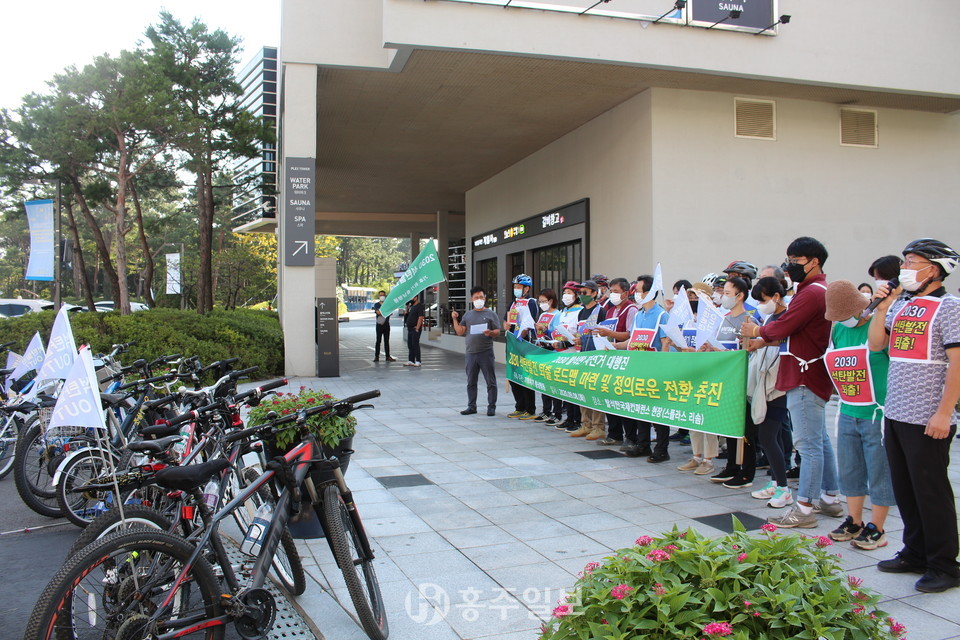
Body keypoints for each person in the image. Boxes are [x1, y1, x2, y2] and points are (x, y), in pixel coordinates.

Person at [869, 239, 960, 593]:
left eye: (912, 261)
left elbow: (957, 364)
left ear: (934, 269)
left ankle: (944, 564)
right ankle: (915, 551)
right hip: (896, 410)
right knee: (905, 488)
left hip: (928, 415)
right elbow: (877, 343)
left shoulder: (950, 307)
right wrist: (882, 307)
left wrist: (944, 412)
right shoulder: (903, 304)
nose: (905, 268)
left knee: (931, 490)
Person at [741, 236, 841, 528]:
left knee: (807, 445)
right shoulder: (812, 290)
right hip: (806, 372)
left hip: (805, 375)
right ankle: (830, 498)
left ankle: (805, 509)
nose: (789, 266)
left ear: (814, 262)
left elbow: (785, 326)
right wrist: (762, 341)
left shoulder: (812, 293)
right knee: (819, 440)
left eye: (795, 261)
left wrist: (757, 330)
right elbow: (792, 332)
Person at [822, 280, 895, 551]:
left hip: (877, 413)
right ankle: (855, 521)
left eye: (846, 315)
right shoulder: (840, 330)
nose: (842, 321)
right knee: (851, 469)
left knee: (879, 470)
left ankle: (878, 527)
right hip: (848, 409)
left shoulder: (878, 327)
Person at [744, 277, 792, 507]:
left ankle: (783, 487)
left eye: (762, 300)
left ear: (776, 296)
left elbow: (780, 340)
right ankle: (776, 481)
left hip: (779, 383)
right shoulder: (771, 317)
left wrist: (762, 339)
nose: (761, 305)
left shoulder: (789, 317)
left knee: (768, 435)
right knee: (771, 435)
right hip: (767, 380)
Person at [706, 276, 758, 488]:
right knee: (728, 424)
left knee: (746, 428)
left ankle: (747, 471)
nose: (723, 297)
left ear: (740, 296)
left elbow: (752, 349)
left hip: (744, 381)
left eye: (727, 294)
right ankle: (731, 466)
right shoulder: (724, 317)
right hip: (725, 379)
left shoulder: (750, 319)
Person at [616, 275, 669, 461]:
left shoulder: (662, 315)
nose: (635, 294)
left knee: (658, 410)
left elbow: (665, 343)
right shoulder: (639, 315)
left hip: (655, 369)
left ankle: (662, 449)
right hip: (639, 368)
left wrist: (662, 369)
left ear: (649, 293)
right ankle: (643, 444)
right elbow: (633, 341)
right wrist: (613, 346)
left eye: (637, 291)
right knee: (641, 408)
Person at [593, 277, 638, 445]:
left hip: (624, 358)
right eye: (611, 291)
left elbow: (630, 335)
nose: (613, 295)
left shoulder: (631, 310)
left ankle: (631, 437)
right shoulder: (610, 310)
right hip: (610, 358)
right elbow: (607, 330)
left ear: (626, 293)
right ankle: (614, 433)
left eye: (616, 292)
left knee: (623, 399)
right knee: (610, 397)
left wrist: (609, 335)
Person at [451, 286, 500, 416]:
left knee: (490, 381)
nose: (479, 300)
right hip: (471, 353)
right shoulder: (468, 315)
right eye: (476, 298)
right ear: (471, 299)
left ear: (485, 298)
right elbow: (460, 331)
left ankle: (491, 406)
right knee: (471, 381)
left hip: (486, 352)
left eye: (481, 297)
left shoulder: (491, 314)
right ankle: (471, 406)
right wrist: (455, 319)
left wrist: (490, 332)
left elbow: (497, 331)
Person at [568, 279, 608, 439]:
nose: (581, 295)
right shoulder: (581, 312)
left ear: (593, 293)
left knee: (595, 392)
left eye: (584, 292)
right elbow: (581, 333)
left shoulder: (601, 311)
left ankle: (598, 427)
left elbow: (604, 333)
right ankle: (586, 424)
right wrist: (578, 339)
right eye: (580, 293)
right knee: (582, 390)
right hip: (583, 355)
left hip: (597, 357)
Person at [503, 274, 539, 419]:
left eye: (518, 287)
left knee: (526, 377)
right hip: (512, 343)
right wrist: (505, 325)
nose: (516, 289)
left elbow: (531, 323)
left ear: (526, 288)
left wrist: (522, 334)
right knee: (513, 376)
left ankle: (530, 409)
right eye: (515, 287)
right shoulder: (513, 303)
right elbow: (506, 320)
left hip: (525, 343)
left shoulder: (531, 302)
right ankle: (519, 406)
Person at [554, 281, 585, 432]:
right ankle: (569, 418)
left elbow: (579, 334)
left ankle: (576, 420)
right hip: (563, 355)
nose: (566, 296)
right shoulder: (563, 312)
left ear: (576, 295)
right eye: (564, 293)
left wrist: (568, 341)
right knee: (566, 388)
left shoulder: (580, 311)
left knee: (574, 389)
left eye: (569, 293)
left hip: (574, 353)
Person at [532, 288, 563, 425]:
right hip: (542, 350)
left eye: (544, 301)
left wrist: (545, 330)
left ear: (551, 301)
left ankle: (557, 412)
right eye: (540, 301)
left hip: (553, 352)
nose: (541, 304)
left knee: (554, 384)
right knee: (544, 384)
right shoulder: (542, 315)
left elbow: (557, 333)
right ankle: (546, 410)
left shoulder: (557, 315)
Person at [372, 290, 396, 362]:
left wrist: (383, 312)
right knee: (378, 341)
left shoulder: (388, 304)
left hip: (386, 324)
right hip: (379, 325)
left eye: (383, 295)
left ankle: (388, 356)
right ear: (379, 296)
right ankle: (376, 356)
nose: (382, 297)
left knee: (386, 341)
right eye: (380, 295)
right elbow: (378, 312)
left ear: (385, 296)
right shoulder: (376, 304)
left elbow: (390, 313)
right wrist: (385, 312)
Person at [403, 294, 425, 367]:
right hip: (410, 328)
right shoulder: (411, 307)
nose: (411, 299)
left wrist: (417, 328)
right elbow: (407, 315)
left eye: (412, 297)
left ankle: (418, 361)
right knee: (410, 345)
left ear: (416, 298)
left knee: (415, 344)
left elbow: (420, 317)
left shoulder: (419, 306)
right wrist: (406, 308)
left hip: (415, 329)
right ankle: (411, 360)